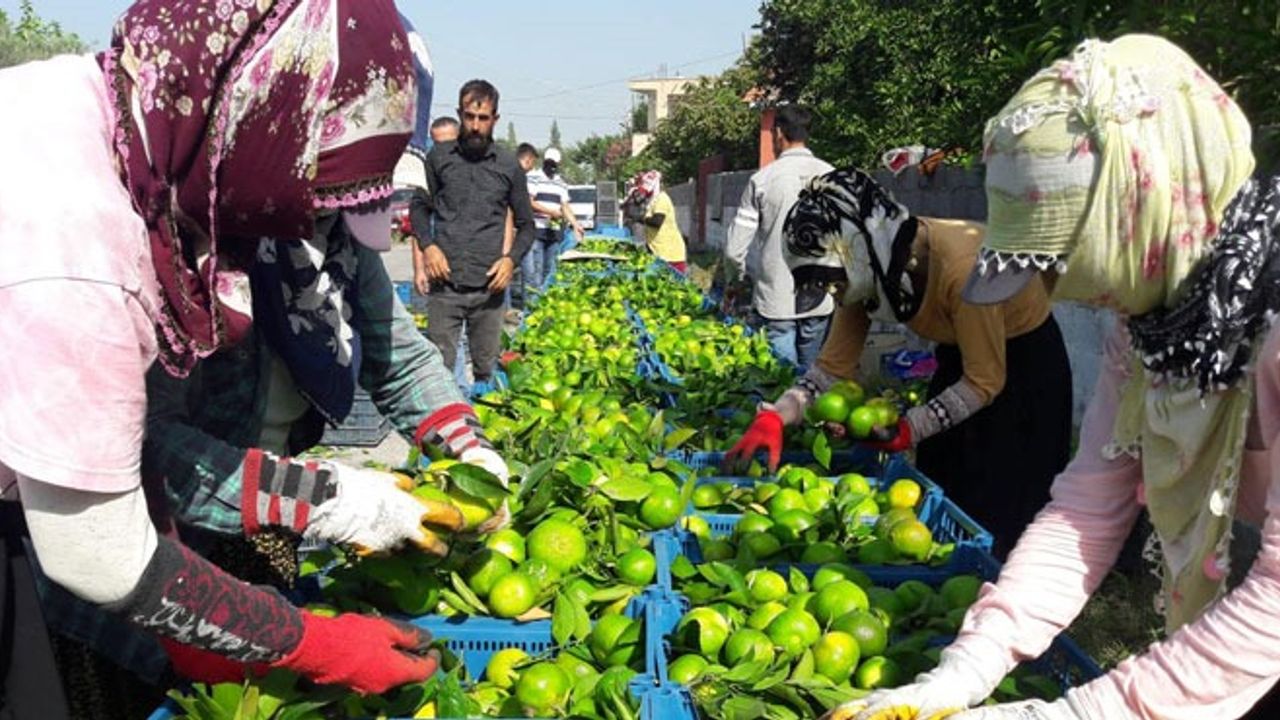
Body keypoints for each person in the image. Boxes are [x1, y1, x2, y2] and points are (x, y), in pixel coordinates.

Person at [0, 1, 458, 714]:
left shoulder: (135, 128)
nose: (301, 231)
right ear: (259, 126)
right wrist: (317, 643)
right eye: (307, 198)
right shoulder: (74, 242)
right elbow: (95, 551)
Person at [830, 35, 1280, 720]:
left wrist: (1074, 714)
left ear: (1147, 210)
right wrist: (972, 661)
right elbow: (1087, 507)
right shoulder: (1157, 322)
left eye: (1070, 258)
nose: (1064, 294)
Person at [725, 167, 1072, 558]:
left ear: (859, 249)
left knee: (1005, 499)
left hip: (1023, 364)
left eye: (834, 282)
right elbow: (829, 370)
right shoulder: (870, 270)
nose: (834, 295)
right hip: (962, 359)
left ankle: (1005, 588)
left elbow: (984, 382)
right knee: (945, 475)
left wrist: (910, 428)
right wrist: (778, 415)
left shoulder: (963, 269)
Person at [412, 79, 535, 383]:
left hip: (489, 291)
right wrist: (428, 246)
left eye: (483, 118)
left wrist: (511, 261)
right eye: (470, 117)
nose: (476, 126)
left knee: (486, 371)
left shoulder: (508, 165)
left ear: (495, 119)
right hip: (445, 287)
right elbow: (418, 208)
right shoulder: (439, 158)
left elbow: (527, 225)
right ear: (460, 114)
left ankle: (482, 426)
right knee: (438, 373)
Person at [724, 105, 835, 371]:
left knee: (781, 379)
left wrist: (735, 282)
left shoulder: (762, 180)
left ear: (778, 133)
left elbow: (733, 251)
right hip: (820, 298)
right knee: (811, 380)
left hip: (777, 299)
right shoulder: (833, 176)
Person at [510, 144, 584, 311]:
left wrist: (575, 224)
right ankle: (531, 310)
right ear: (544, 162)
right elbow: (529, 201)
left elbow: (565, 206)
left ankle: (543, 307)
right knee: (533, 274)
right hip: (536, 230)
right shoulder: (534, 178)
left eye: (554, 164)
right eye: (549, 163)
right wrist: (550, 211)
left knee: (548, 271)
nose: (551, 167)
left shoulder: (560, 183)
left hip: (553, 234)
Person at [411, 117, 460, 297]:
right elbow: (418, 226)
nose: (443, 152)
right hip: (438, 271)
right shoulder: (428, 180)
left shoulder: (476, 174)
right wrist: (419, 269)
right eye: (438, 145)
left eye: (449, 144)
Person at [624, 170, 688, 273]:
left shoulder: (662, 199)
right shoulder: (652, 201)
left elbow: (657, 222)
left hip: (670, 254)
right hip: (657, 250)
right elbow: (636, 201)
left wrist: (640, 218)